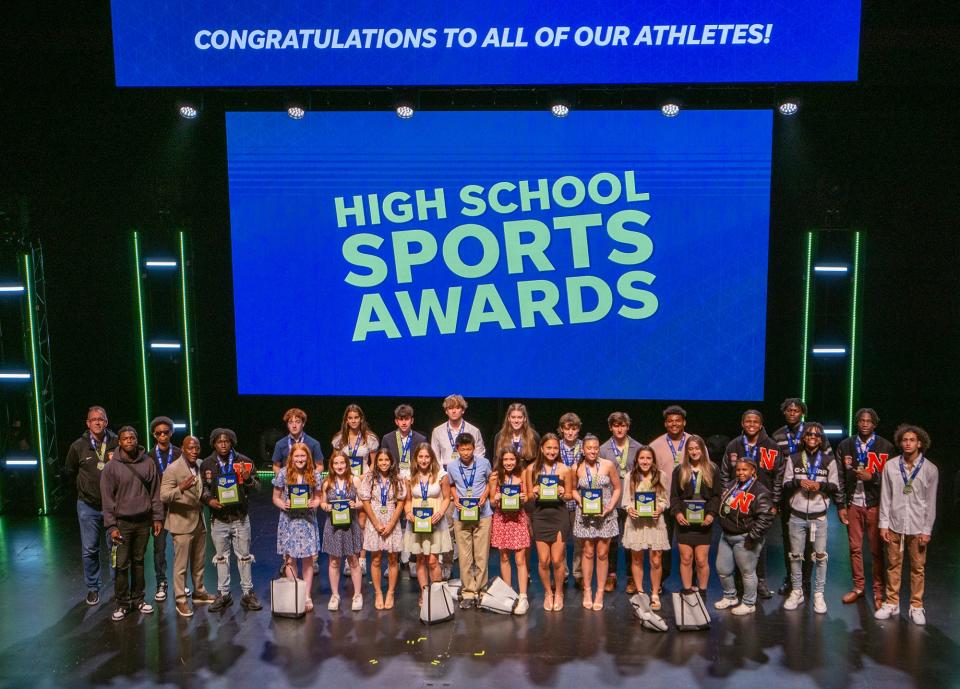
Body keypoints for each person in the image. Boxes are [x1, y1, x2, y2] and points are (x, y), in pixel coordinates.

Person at [875, 424, 938, 625]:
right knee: (893, 565)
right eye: (904, 440)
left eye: (912, 440)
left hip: (918, 526)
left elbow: (931, 501)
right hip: (894, 523)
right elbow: (885, 496)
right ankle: (892, 603)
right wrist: (883, 524)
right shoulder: (891, 466)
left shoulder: (929, 469)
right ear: (900, 443)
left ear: (920, 443)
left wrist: (927, 529)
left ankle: (916, 606)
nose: (908, 443)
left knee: (917, 568)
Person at [771, 397, 835, 594]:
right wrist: (776, 498)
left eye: (796, 410)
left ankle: (806, 580)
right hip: (788, 490)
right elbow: (776, 468)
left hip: (812, 491)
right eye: (789, 410)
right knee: (789, 539)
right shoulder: (778, 435)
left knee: (810, 541)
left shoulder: (812, 431)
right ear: (784, 412)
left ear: (802, 412)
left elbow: (829, 459)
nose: (792, 413)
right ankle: (791, 579)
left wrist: (824, 488)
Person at [100, 426, 164, 621]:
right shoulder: (112, 466)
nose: (129, 441)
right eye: (125, 438)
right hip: (122, 524)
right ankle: (122, 602)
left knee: (138, 562)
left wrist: (157, 517)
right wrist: (111, 526)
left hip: (143, 521)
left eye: (132, 437)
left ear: (137, 440)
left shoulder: (148, 462)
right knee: (121, 565)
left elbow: (155, 492)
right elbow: (107, 498)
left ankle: (138, 599)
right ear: (119, 442)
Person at [719, 410, 784, 599]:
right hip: (738, 503)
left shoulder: (772, 446)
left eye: (755, 421)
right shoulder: (733, 445)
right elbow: (724, 473)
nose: (751, 424)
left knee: (758, 543)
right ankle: (741, 582)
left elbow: (779, 475)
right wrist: (726, 496)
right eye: (748, 421)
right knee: (738, 541)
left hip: (761, 502)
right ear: (742, 423)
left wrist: (775, 501)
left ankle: (760, 581)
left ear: (761, 424)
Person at [838, 408, 895, 608]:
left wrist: (874, 477)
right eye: (861, 420)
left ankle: (879, 592)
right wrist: (841, 504)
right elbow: (840, 477)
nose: (864, 424)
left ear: (874, 424)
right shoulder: (846, 445)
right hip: (853, 503)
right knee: (855, 548)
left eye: (868, 421)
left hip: (875, 504)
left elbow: (892, 478)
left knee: (876, 550)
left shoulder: (885, 446)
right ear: (856, 423)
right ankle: (859, 588)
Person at [201, 428, 262, 612]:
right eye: (219, 441)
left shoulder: (244, 461)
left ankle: (247, 593)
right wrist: (209, 500)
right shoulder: (207, 464)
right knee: (221, 558)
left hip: (240, 517)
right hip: (219, 519)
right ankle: (224, 593)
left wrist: (247, 478)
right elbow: (203, 488)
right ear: (213, 443)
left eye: (226, 441)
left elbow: (258, 486)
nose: (223, 444)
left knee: (244, 556)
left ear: (232, 442)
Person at [781, 422, 840, 614]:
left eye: (816, 435)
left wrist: (819, 486)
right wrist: (800, 482)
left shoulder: (829, 460)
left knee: (820, 557)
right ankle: (797, 591)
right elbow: (786, 483)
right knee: (796, 556)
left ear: (821, 439)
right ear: (804, 438)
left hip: (819, 517)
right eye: (809, 434)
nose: (812, 437)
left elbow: (835, 485)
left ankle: (819, 594)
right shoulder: (794, 457)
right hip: (797, 515)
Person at [64, 405, 118, 605]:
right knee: (90, 549)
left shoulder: (116, 442)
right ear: (88, 423)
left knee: (115, 548)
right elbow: (69, 473)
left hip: (113, 505)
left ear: (106, 421)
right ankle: (93, 588)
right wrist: (82, 491)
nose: (97, 422)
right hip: (88, 506)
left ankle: (117, 587)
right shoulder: (78, 446)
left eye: (101, 419)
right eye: (93, 419)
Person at [160, 435, 216, 617]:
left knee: (199, 562)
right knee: (181, 565)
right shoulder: (173, 469)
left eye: (197, 448)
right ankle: (180, 600)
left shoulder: (201, 464)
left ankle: (199, 592)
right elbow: (164, 496)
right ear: (182, 449)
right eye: (190, 448)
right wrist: (181, 488)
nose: (194, 451)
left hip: (199, 519)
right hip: (181, 523)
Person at [647, 404, 701, 590]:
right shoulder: (655, 445)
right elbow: (649, 476)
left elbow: (706, 470)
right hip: (665, 503)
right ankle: (660, 581)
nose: (674, 424)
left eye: (678, 420)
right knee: (663, 544)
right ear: (665, 424)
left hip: (690, 503)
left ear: (684, 422)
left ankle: (692, 582)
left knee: (689, 544)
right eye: (670, 421)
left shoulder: (695, 443)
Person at [713, 457, 774, 615]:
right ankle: (730, 596)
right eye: (738, 469)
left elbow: (766, 517)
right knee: (722, 569)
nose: (740, 473)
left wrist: (752, 536)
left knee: (747, 572)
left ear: (753, 470)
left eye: (744, 469)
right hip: (726, 535)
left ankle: (749, 603)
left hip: (745, 537)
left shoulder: (761, 491)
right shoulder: (731, 485)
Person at [525, 433, 575, 611]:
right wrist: (535, 492)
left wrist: (563, 491)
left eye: (555, 448)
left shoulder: (565, 469)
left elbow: (571, 495)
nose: (552, 451)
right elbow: (528, 497)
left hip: (559, 516)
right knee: (543, 560)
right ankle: (548, 593)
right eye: (549, 448)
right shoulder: (531, 469)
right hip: (540, 516)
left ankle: (559, 592)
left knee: (557, 560)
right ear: (541, 449)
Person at [272, 443, 323, 612]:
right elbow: (276, 497)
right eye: (297, 456)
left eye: (303, 456)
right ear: (291, 458)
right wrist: (283, 504)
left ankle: (306, 595)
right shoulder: (283, 474)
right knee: (290, 559)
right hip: (289, 521)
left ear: (307, 457)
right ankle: (296, 592)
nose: (300, 459)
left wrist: (313, 503)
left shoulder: (314, 475)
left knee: (308, 560)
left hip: (307, 521)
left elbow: (318, 498)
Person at [573, 435, 621, 610]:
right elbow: (572, 489)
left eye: (595, 447)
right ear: (583, 449)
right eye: (589, 448)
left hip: (605, 516)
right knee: (587, 552)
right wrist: (582, 501)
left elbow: (617, 488)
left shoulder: (608, 465)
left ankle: (600, 592)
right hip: (585, 516)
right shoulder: (577, 467)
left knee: (602, 553)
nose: (592, 451)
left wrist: (609, 507)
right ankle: (587, 590)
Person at [448, 432, 493, 609]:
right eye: (462, 449)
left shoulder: (484, 463)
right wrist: (455, 499)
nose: (466, 452)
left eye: (469, 449)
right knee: (465, 556)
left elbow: (490, 481)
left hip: (482, 514)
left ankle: (481, 590)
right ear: (457, 449)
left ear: (474, 448)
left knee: (481, 554)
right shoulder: (452, 466)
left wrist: (484, 495)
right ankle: (468, 591)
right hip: (461, 516)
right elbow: (451, 485)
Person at [402, 443, 452, 605]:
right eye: (420, 457)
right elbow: (408, 500)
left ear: (432, 458)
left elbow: (447, 498)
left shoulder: (441, 475)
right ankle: (424, 592)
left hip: (435, 521)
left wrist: (440, 513)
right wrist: (408, 512)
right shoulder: (409, 476)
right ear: (416, 459)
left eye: (427, 457)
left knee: (432, 560)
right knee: (421, 559)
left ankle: (436, 594)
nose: (423, 460)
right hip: (417, 523)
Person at [598, 411, 641, 593]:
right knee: (612, 541)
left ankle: (631, 578)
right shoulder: (603, 449)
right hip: (611, 501)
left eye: (623, 425)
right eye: (616, 425)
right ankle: (611, 576)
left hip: (631, 501)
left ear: (628, 427)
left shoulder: (638, 447)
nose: (619, 429)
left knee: (630, 541)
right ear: (610, 427)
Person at [670, 435, 719, 594]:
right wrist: (677, 513)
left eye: (697, 448)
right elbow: (675, 496)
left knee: (701, 559)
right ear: (687, 451)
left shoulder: (712, 469)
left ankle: (703, 591)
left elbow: (716, 495)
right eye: (690, 449)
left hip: (704, 522)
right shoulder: (679, 470)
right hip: (684, 521)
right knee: (686, 558)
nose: (694, 451)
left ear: (703, 450)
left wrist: (711, 514)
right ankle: (687, 590)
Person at [359, 448, 407, 610]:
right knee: (376, 559)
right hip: (375, 522)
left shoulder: (398, 479)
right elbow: (365, 501)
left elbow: (400, 502)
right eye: (380, 460)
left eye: (386, 460)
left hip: (392, 521)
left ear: (391, 461)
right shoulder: (369, 478)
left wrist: (392, 523)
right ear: (376, 462)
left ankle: (391, 592)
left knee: (393, 559)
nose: (384, 463)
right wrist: (377, 523)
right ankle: (379, 592)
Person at [622, 447, 669, 609]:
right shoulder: (630, 476)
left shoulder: (661, 476)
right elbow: (626, 501)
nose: (645, 461)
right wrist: (630, 509)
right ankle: (641, 593)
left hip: (655, 523)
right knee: (637, 558)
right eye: (642, 458)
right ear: (637, 460)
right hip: (636, 523)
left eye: (648, 458)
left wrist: (660, 508)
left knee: (656, 559)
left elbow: (665, 500)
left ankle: (655, 593)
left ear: (653, 460)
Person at [488, 447, 531, 614]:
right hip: (502, 520)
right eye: (505, 460)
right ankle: (508, 594)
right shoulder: (495, 477)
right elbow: (491, 501)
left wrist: (523, 498)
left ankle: (523, 596)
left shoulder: (523, 474)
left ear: (516, 460)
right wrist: (496, 498)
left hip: (518, 518)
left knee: (520, 558)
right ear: (501, 461)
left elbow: (528, 496)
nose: (508, 463)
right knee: (504, 557)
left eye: (511, 459)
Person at [320, 451, 364, 611]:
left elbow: (362, 501)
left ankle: (357, 595)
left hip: (350, 525)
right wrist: (326, 506)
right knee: (334, 561)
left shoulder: (355, 480)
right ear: (331, 466)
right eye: (336, 463)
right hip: (333, 526)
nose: (339, 466)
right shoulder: (327, 483)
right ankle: (335, 595)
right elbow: (323, 503)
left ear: (347, 464)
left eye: (342, 463)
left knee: (353, 560)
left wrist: (356, 505)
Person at [148, 416, 182, 603]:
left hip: (177, 507)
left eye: (166, 432)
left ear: (171, 433)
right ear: (154, 435)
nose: (163, 435)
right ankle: (161, 582)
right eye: (159, 433)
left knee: (180, 547)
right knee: (159, 549)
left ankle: (180, 582)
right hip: (158, 509)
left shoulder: (179, 454)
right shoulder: (148, 457)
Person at [557, 413, 585, 587]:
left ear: (578, 430)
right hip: (559, 499)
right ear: (561, 430)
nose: (570, 432)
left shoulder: (584, 447)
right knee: (560, 540)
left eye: (573, 429)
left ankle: (579, 573)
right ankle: (563, 573)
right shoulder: (554, 446)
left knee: (579, 540)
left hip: (579, 500)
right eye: (567, 428)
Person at [431, 394, 487, 467]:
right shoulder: (437, 431)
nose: (454, 411)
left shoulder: (474, 431)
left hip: (468, 471)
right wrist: (442, 475)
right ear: (446, 411)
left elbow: (479, 455)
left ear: (463, 410)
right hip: (445, 472)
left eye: (457, 408)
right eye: (450, 408)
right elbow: (435, 457)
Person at [271, 408, 325, 475]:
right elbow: (276, 466)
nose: (294, 426)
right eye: (290, 422)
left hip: (307, 483)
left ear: (303, 424)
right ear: (287, 425)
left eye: (297, 422)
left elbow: (320, 466)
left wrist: (311, 479)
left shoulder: (314, 444)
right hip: (287, 483)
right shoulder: (280, 444)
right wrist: (283, 479)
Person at [332, 404, 380, 474]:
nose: (353, 421)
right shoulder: (339, 439)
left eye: (356, 417)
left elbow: (374, 463)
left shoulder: (370, 438)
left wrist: (365, 477)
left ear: (361, 419)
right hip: (344, 478)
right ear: (346, 420)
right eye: (350, 418)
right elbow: (335, 462)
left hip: (364, 478)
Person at [492, 403, 540, 467]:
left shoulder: (534, 436)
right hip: (506, 475)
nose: (516, 421)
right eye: (513, 417)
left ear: (525, 418)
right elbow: (496, 461)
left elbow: (538, 461)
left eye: (519, 417)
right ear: (508, 418)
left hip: (527, 475)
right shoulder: (500, 436)